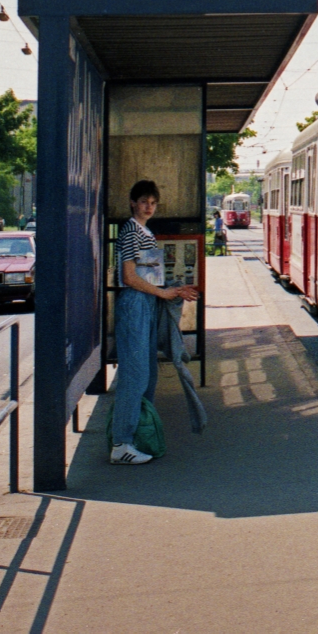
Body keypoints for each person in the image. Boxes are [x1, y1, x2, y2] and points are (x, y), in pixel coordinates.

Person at [110, 179, 199, 466]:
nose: (149, 207)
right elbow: (130, 276)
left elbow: (149, 276)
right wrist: (164, 292)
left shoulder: (144, 231)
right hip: (135, 302)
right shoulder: (130, 231)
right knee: (135, 375)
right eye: (144, 201)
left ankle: (135, 435)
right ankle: (120, 443)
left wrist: (172, 290)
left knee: (147, 373)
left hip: (146, 302)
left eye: (153, 202)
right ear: (133, 203)